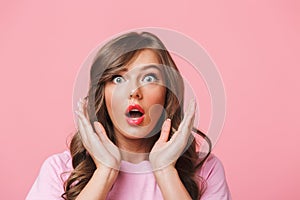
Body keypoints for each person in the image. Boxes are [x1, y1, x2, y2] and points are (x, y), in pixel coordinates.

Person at [26, 32, 231, 200]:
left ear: (167, 92)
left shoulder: (206, 171)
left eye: (149, 77)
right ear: (102, 94)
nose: (134, 91)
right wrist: (104, 173)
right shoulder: (59, 170)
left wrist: (165, 171)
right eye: (118, 78)